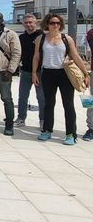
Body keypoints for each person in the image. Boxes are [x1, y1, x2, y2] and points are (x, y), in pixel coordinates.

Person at [33, 14, 89, 145]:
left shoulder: (66, 38)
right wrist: (34, 73)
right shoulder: (40, 39)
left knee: (68, 105)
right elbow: (36, 56)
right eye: (52, 23)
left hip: (64, 74)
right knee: (48, 104)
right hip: (47, 73)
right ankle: (47, 130)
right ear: (47, 24)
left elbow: (75, 56)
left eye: (58, 23)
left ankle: (71, 134)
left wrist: (86, 74)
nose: (55, 25)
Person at [15, 13, 45, 128]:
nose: (28, 25)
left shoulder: (42, 36)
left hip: (40, 71)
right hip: (26, 71)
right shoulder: (21, 38)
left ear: (35, 23)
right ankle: (21, 118)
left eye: (30, 22)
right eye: (26, 23)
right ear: (23, 24)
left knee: (41, 97)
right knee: (22, 96)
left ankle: (43, 120)